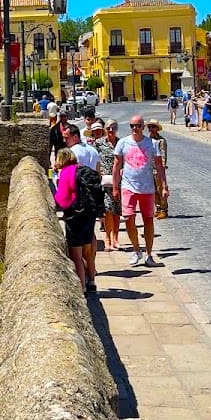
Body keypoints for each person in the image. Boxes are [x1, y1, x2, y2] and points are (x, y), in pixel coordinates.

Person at [112, 114, 168, 267]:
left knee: (148, 220)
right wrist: (115, 186)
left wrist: (164, 186)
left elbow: (159, 167)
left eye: (137, 125)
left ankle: (149, 254)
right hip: (128, 186)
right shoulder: (123, 143)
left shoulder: (152, 144)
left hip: (147, 188)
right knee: (128, 218)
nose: (135, 128)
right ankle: (137, 250)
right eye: (132, 126)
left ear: (143, 127)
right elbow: (116, 166)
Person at [53, 147, 98, 293]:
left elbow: (62, 199)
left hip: (75, 217)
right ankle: (91, 282)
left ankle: (82, 288)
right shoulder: (82, 169)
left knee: (76, 255)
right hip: (89, 216)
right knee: (88, 252)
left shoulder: (66, 172)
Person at [95, 118, 121, 249]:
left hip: (119, 182)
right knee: (107, 210)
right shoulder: (99, 143)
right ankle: (107, 238)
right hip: (105, 182)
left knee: (117, 211)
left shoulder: (121, 143)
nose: (111, 130)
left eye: (114, 127)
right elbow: (95, 160)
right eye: (109, 128)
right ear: (105, 129)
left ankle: (115, 238)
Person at [146, 119, 169, 217]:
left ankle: (164, 209)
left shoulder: (161, 141)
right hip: (149, 168)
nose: (151, 129)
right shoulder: (147, 140)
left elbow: (163, 155)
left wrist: (162, 167)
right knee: (153, 190)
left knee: (160, 189)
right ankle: (158, 208)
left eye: (153, 127)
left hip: (157, 169)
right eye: (149, 127)